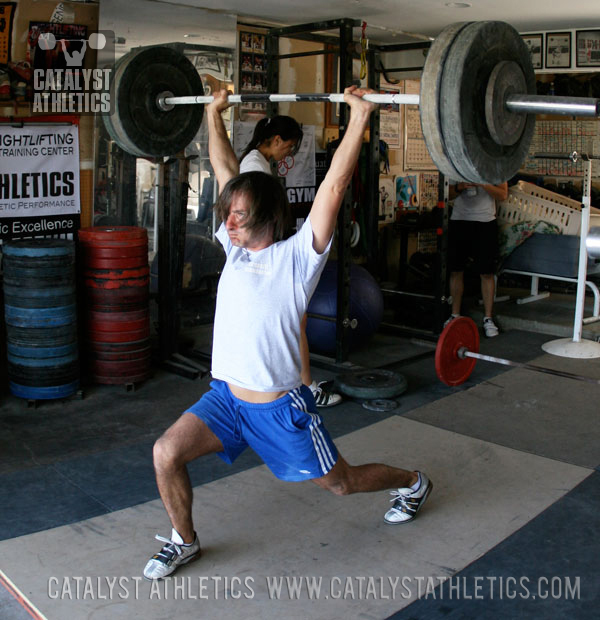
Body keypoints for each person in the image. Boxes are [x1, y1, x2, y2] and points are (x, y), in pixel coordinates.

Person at [143, 86, 433, 581]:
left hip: (280, 410)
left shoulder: (297, 260)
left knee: (340, 484)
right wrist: (213, 114)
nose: (227, 220)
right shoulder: (234, 250)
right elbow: (223, 171)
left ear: (264, 218)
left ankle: (412, 482)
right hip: (226, 402)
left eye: (237, 214)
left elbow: (334, 188)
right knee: (166, 452)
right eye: (227, 213)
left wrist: (360, 116)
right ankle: (184, 541)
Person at [238, 114, 342, 408]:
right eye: (290, 147)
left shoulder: (255, 163)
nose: (290, 153)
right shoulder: (254, 167)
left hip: (264, 254)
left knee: (294, 319)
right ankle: (306, 388)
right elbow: (252, 220)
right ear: (277, 140)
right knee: (296, 318)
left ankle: (294, 384)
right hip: (264, 257)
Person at [446, 181, 509, 337]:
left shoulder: (492, 166)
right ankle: (454, 315)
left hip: (485, 222)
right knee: (456, 270)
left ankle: (488, 318)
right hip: (459, 220)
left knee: (486, 272)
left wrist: (482, 184)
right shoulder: (457, 165)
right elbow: (446, 194)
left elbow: (502, 194)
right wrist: (459, 187)